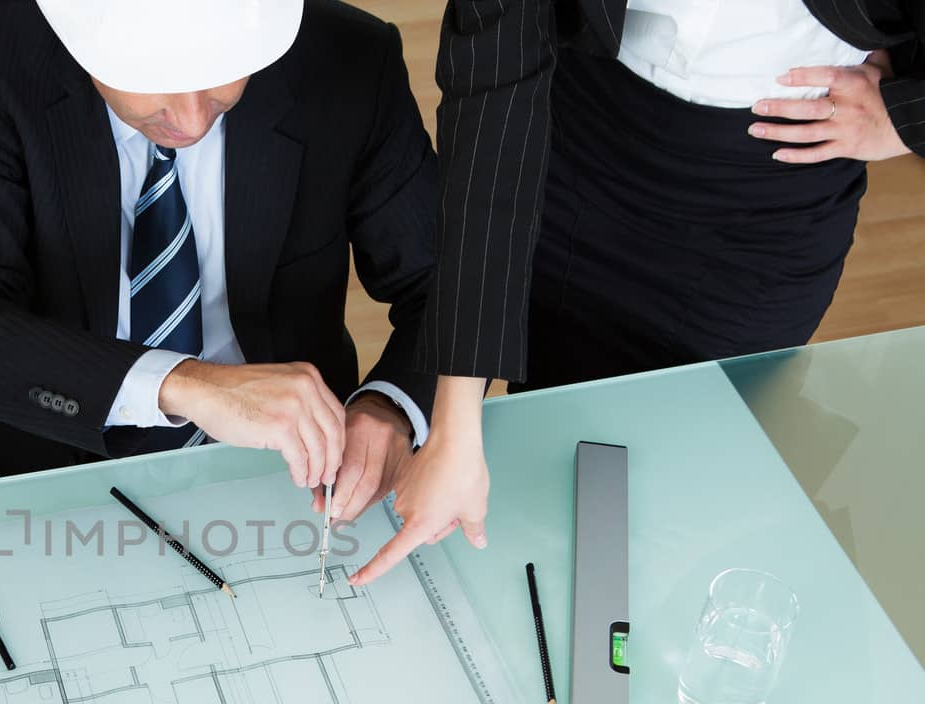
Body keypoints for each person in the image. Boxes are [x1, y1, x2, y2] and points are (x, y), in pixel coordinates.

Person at [350, 0, 925, 587]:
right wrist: (455, 423)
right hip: (584, 139)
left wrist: (906, 118)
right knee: (554, 462)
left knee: (689, 497)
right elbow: (492, 79)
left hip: (772, 195)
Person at [0, 0, 438, 535]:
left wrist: (390, 407)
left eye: (221, 76)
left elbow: (442, 284)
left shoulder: (352, 58)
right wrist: (187, 386)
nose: (193, 119)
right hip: (35, 473)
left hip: (288, 480)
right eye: (156, 77)